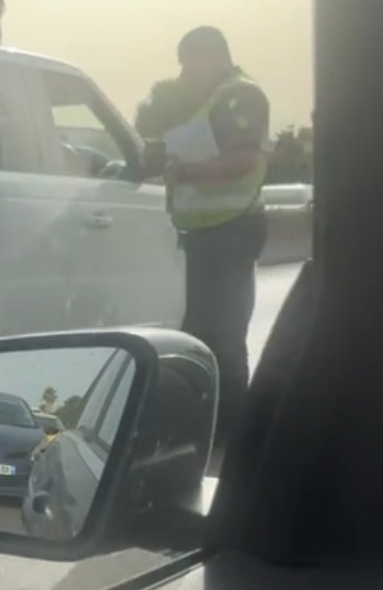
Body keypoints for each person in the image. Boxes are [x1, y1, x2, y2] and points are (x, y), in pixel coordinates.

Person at [148, 26, 273, 444]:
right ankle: (207, 429)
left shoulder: (242, 97)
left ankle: (235, 436)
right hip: (211, 234)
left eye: (190, 62)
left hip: (231, 231)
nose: (185, 73)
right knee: (202, 335)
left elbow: (242, 161)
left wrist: (185, 170)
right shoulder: (217, 99)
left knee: (226, 339)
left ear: (214, 55)